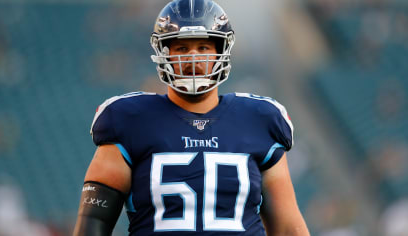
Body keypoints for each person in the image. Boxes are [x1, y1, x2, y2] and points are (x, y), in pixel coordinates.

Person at [73, 0, 310, 235]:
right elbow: (93, 222)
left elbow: (288, 227)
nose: (193, 58)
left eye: (204, 48)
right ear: (163, 52)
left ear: (221, 52)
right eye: (182, 48)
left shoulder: (260, 120)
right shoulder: (129, 119)